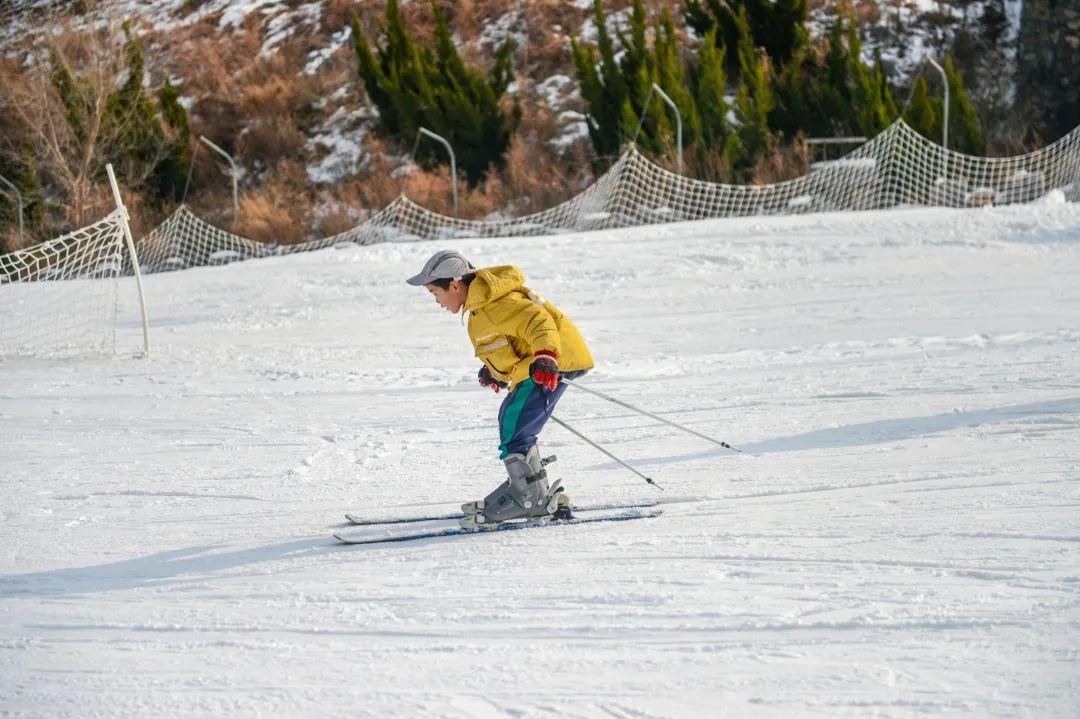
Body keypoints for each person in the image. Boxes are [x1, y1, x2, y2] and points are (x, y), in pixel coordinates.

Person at [407, 249, 594, 529]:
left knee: (513, 425)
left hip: (551, 363)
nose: (437, 301)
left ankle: (529, 498)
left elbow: (538, 322)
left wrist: (545, 356)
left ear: (455, 285)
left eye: (436, 293)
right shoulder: (482, 305)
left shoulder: (495, 304)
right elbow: (504, 341)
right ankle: (535, 491)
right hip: (540, 364)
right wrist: (494, 370)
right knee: (513, 420)